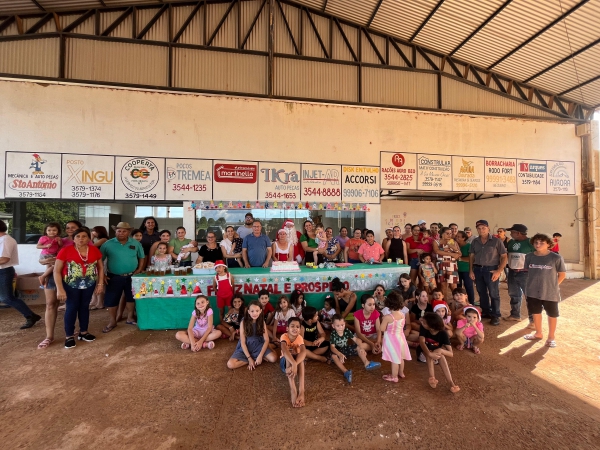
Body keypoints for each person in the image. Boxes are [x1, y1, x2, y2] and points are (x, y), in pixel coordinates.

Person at [54, 228, 104, 349]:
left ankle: (84, 332)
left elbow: (100, 268)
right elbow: (56, 271)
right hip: (71, 284)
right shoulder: (65, 250)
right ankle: (69, 336)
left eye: (84, 236)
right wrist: (60, 289)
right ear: (73, 238)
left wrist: (100, 284)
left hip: (89, 283)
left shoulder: (94, 250)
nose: (81, 239)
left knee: (84, 307)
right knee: (71, 307)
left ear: (88, 238)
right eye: (78, 236)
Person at [522, 233, 566, 348]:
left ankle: (551, 337)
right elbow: (528, 272)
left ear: (548, 244)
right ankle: (538, 333)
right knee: (536, 313)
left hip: (550, 292)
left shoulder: (556, 258)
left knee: (552, 314)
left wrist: (554, 286)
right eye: (536, 242)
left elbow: (562, 274)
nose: (538, 244)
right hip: (532, 291)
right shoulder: (529, 256)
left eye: (541, 242)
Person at [100, 222, 145, 333]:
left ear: (128, 232)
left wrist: (139, 269)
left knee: (131, 297)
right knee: (112, 300)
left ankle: (130, 318)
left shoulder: (135, 243)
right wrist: (102, 275)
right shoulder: (107, 244)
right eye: (119, 230)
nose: (121, 233)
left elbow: (142, 257)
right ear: (115, 231)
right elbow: (99, 260)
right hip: (113, 276)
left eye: (124, 231)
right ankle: (112, 321)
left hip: (132, 276)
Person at [0, 220, 42, 330]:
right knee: (6, 297)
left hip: (4, 271)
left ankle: (30, 315)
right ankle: (31, 315)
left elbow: (5, 259)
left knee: (7, 297)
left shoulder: (6, 240)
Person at [469, 219, 507, 326]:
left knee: (493, 293)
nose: (481, 230)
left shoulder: (496, 241)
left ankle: (495, 315)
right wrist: (471, 270)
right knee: (481, 292)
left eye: (483, 228)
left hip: (491, 270)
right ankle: (485, 311)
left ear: (488, 228)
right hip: (477, 270)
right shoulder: (475, 241)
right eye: (479, 228)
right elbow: (472, 256)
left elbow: (504, 256)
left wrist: (499, 271)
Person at [329, 314, 381, 383]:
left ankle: (367, 363)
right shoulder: (333, 334)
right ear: (333, 326)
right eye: (338, 326)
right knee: (333, 356)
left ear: (345, 323)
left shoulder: (346, 331)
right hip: (337, 351)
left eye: (342, 325)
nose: (341, 327)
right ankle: (346, 372)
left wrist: (361, 347)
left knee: (359, 347)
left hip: (346, 349)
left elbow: (356, 339)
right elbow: (332, 347)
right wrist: (339, 354)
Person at [227, 300, 277, 369]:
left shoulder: (262, 321)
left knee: (273, 358)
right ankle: (253, 360)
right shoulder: (243, 322)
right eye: (252, 311)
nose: (255, 313)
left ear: (260, 311)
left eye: (257, 311)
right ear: (248, 312)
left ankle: (259, 356)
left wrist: (260, 356)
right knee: (230, 364)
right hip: (246, 345)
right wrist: (249, 358)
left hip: (258, 344)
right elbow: (243, 342)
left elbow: (266, 340)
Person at [417, 312, 460, 393]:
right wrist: (430, 354)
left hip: (436, 357)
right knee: (430, 352)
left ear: (432, 328)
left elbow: (451, 354)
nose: (422, 323)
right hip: (423, 355)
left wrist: (441, 350)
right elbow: (422, 342)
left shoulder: (443, 333)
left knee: (440, 354)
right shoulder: (423, 328)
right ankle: (432, 377)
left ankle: (451, 383)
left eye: (424, 322)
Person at [377, 291, 411, 382]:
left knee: (394, 359)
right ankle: (401, 373)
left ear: (388, 303)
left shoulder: (388, 317)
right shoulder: (402, 314)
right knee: (400, 357)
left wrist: (382, 320)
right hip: (400, 337)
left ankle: (394, 376)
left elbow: (382, 329)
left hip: (391, 339)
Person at [505, 224, 535, 325]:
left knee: (530, 296)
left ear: (518, 233)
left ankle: (533, 320)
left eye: (512, 232)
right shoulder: (511, 243)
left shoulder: (531, 243)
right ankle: (515, 315)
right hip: (512, 271)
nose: (510, 234)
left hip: (526, 273)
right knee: (514, 294)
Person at [279, 317, 307, 407]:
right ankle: (293, 389)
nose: (295, 328)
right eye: (292, 326)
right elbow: (284, 350)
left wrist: (296, 363)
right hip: (286, 365)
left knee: (301, 360)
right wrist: (294, 364)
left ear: (300, 329)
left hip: (296, 365)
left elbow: (304, 352)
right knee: (289, 356)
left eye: (297, 327)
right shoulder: (284, 336)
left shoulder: (299, 337)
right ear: (287, 328)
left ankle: (301, 391)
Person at [433, 227, 460, 299]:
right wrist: (452, 254)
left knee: (453, 286)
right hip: (441, 265)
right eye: (447, 233)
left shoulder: (453, 242)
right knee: (443, 286)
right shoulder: (436, 242)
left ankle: (457, 303)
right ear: (442, 234)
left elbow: (459, 254)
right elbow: (437, 251)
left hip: (452, 266)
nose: (449, 235)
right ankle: (445, 303)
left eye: (450, 233)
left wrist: (452, 247)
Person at [88, 225, 109, 311]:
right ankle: (94, 300)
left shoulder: (104, 239)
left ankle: (100, 302)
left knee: (99, 282)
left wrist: (91, 237)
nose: (93, 232)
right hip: (94, 261)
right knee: (94, 281)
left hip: (102, 261)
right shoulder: (96, 239)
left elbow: (91, 247)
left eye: (94, 231)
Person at [37, 222, 63, 288]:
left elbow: (60, 245)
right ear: (46, 231)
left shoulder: (57, 238)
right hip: (46, 255)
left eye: (54, 230)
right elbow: (38, 246)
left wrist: (59, 241)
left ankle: (45, 283)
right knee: (54, 266)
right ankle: (43, 277)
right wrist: (45, 246)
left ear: (58, 231)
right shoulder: (43, 238)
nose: (51, 232)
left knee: (48, 270)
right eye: (49, 230)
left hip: (53, 254)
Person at [455, 231, 475, 305]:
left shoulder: (469, 246)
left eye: (459, 237)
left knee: (468, 287)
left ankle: (471, 303)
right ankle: (459, 303)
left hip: (466, 270)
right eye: (456, 236)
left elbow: (471, 259)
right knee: (458, 288)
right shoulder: (455, 246)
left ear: (464, 238)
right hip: (456, 270)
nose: (456, 238)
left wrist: (459, 258)